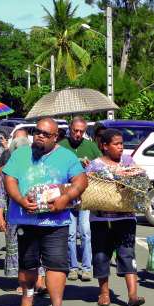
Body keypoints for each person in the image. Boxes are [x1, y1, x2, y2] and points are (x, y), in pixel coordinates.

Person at [3, 118, 88, 306]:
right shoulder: (20, 154)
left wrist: (65, 198)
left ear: (56, 137)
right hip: (26, 219)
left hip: (55, 223)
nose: (40, 136)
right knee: (27, 265)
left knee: (57, 265)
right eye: (37, 131)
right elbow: (9, 180)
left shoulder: (66, 156)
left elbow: (81, 180)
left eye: (45, 134)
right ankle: (27, 299)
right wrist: (21, 200)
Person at [86, 129, 145, 306]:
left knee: (127, 253)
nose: (121, 147)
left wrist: (129, 177)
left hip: (125, 216)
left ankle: (133, 295)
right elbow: (85, 185)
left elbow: (140, 179)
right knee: (101, 254)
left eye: (122, 144)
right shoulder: (95, 165)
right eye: (117, 144)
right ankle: (104, 292)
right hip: (100, 219)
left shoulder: (128, 161)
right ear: (104, 146)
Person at [58, 116, 102, 282]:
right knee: (70, 234)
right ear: (70, 129)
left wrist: (90, 165)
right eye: (75, 131)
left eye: (81, 132)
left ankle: (87, 268)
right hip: (67, 196)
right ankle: (72, 267)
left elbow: (100, 168)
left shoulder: (90, 146)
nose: (78, 134)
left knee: (85, 232)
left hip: (84, 196)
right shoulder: (61, 146)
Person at [0, 137, 32, 287]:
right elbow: (1, 195)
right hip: (14, 216)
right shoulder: (8, 170)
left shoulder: (35, 167)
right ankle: (21, 282)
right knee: (15, 248)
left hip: (34, 215)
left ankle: (38, 281)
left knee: (34, 248)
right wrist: (0, 217)